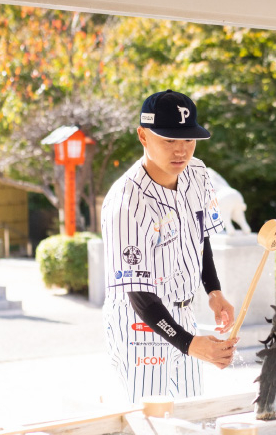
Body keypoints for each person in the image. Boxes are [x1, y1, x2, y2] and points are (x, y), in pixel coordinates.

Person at [101, 89, 239, 403]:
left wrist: (214, 291)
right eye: (168, 140)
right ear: (142, 136)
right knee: (152, 419)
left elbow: (201, 236)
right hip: (139, 323)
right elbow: (139, 295)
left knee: (191, 414)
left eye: (188, 140)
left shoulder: (199, 174)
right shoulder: (126, 204)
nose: (180, 151)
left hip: (185, 311)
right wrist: (190, 343)